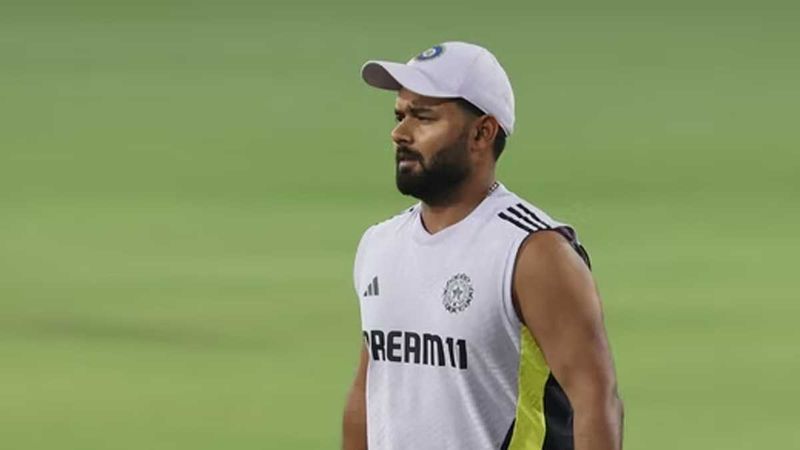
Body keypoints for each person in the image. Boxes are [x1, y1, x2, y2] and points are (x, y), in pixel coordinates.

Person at [342, 41, 623, 450]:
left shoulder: (532, 252)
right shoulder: (379, 245)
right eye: (400, 115)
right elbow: (369, 390)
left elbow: (595, 402)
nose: (399, 133)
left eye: (423, 117)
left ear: (481, 133)